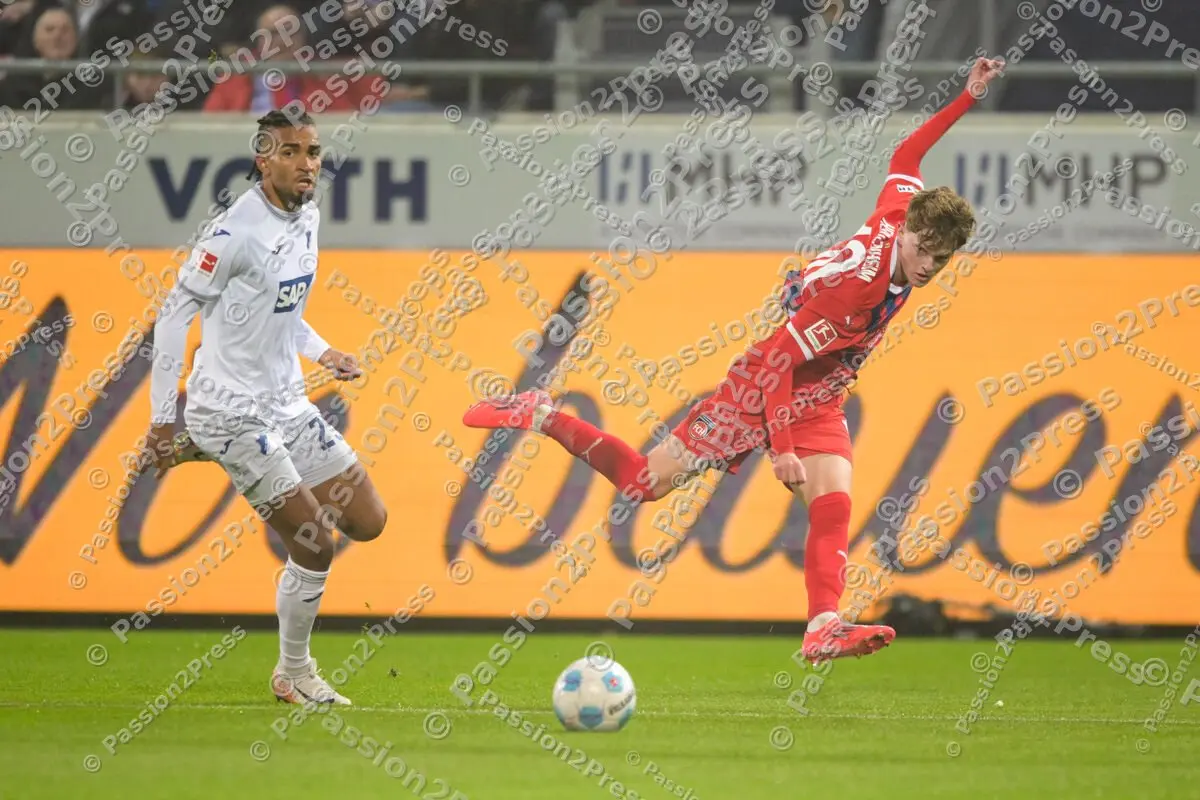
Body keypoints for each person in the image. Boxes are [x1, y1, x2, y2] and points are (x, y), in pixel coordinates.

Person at [463, 56, 1007, 665]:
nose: (929, 265)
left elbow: (907, 156)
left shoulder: (901, 213)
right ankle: (541, 414)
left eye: (942, 258)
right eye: (923, 250)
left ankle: (822, 626)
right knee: (645, 484)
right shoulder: (859, 289)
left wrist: (966, 96)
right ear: (906, 232)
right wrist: (780, 446)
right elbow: (776, 361)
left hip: (820, 388)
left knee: (834, 503)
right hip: (763, 387)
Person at [145, 109, 389, 705]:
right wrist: (160, 418)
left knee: (368, 520)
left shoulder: (307, 216)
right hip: (230, 408)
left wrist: (325, 350)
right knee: (313, 542)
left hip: (286, 401)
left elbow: (281, 304)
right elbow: (175, 314)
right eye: (292, 152)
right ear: (264, 159)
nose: (307, 163)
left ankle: (202, 447)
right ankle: (294, 673)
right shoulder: (233, 234)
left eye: (313, 152)